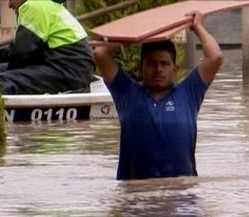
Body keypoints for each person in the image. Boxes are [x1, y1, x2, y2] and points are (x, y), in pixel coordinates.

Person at [94, 11, 223, 180]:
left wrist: (197, 27)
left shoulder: (188, 92)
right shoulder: (126, 92)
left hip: (181, 194)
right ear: (140, 69)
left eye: (164, 64)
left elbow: (215, 57)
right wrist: (128, 30)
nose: (158, 70)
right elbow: (100, 54)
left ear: (175, 69)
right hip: (136, 194)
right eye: (151, 64)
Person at [0, 0, 95, 94]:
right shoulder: (46, 4)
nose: (9, 5)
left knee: (2, 82)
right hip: (74, 69)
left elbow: (21, 54)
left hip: (67, 72)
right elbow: (27, 51)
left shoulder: (34, 6)